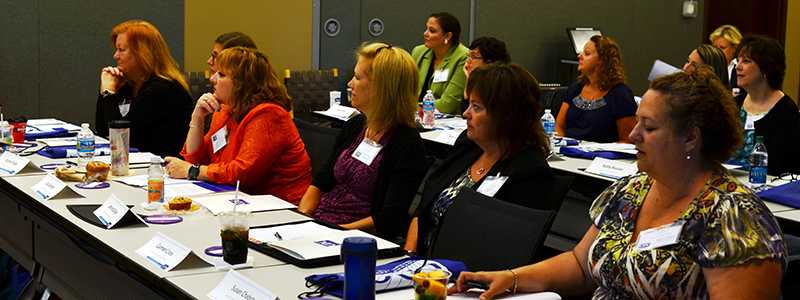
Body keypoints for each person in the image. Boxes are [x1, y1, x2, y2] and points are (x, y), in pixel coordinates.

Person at [450, 68, 786, 300]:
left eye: (649, 127)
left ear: (691, 138)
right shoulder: (632, 191)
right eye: (637, 122)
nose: (634, 135)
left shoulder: (734, 217)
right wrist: (512, 278)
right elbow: (581, 264)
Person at [405, 63, 557, 255]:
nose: (466, 114)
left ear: (505, 115)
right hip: (423, 266)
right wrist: (408, 256)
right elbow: (423, 207)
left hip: (467, 275)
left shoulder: (529, 172)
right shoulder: (468, 147)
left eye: (476, 107)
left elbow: (502, 249)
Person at [297, 43, 428, 241]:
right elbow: (321, 181)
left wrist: (336, 233)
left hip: (356, 239)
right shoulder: (356, 125)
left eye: (358, 78)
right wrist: (302, 218)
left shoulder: (406, 143)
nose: (349, 84)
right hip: (320, 225)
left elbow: (389, 217)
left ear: (382, 88)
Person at [164, 47, 311, 204]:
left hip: (280, 207)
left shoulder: (268, 115)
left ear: (242, 83)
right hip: (236, 199)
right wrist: (197, 118)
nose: (212, 79)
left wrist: (192, 171)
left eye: (221, 74)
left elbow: (242, 173)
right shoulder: (226, 110)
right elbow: (197, 158)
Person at [96, 19, 193, 157]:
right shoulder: (130, 84)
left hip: (162, 168)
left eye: (121, 50)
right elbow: (102, 129)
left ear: (142, 53)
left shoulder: (162, 89)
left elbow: (123, 137)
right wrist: (105, 92)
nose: (115, 56)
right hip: (137, 162)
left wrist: (109, 93)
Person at [729, 35, 800, 175]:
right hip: (729, 183)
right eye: (738, 60)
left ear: (766, 69)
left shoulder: (786, 111)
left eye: (746, 61)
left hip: (768, 189)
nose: (738, 66)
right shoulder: (733, 105)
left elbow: (792, 165)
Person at [555, 35, 636, 143]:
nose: (580, 56)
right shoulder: (576, 88)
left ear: (602, 60)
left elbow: (626, 140)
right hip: (569, 153)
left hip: (603, 158)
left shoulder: (620, 94)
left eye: (587, 53)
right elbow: (559, 126)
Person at [411, 12, 469, 114]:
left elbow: (448, 104)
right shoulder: (419, 52)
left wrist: (414, 108)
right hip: (414, 116)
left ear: (448, 35)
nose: (425, 33)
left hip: (446, 121)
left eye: (432, 31)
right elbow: (405, 90)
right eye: (426, 29)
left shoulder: (463, 56)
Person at [461, 36, 511, 112]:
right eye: (469, 56)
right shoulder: (478, 81)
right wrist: (469, 79)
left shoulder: (501, 85)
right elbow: (465, 112)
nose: (468, 61)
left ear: (489, 62)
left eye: (473, 56)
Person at [709, 25, 743, 89]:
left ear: (735, 48)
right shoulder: (707, 67)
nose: (717, 51)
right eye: (715, 47)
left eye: (722, 48)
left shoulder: (741, 68)